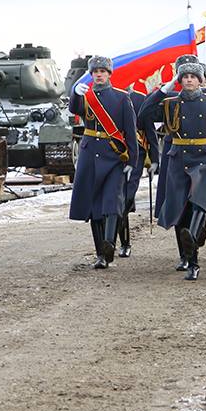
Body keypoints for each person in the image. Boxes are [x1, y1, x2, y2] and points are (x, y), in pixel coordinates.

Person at [139, 61, 206, 280]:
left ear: (200, 80)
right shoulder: (170, 102)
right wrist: (162, 90)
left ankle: (193, 252)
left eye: (193, 76)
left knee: (199, 201)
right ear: (179, 81)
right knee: (180, 206)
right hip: (179, 158)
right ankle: (189, 256)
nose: (189, 80)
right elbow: (143, 116)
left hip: (205, 159)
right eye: (185, 77)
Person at [68, 56, 139, 269]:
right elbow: (75, 109)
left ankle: (109, 243)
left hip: (114, 156)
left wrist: (132, 161)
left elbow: (131, 131)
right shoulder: (86, 96)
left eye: (102, 71)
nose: (99, 74)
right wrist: (74, 94)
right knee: (93, 206)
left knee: (111, 202)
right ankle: (101, 254)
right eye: (95, 71)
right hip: (90, 155)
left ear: (109, 74)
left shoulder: (121, 98)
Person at [115, 85, 160, 259]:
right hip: (113, 153)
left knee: (126, 197)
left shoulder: (141, 99)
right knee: (114, 198)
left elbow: (150, 131)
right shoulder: (105, 96)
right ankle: (116, 241)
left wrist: (154, 159)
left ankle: (123, 242)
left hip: (136, 154)